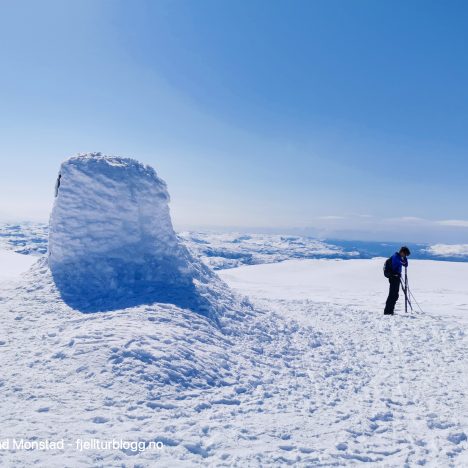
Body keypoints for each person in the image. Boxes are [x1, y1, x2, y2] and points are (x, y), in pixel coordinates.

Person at [384, 246, 411, 315]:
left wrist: (404, 258)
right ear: (402, 252)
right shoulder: (396, 257)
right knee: (392, 295)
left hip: (396, 277)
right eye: (405, 254)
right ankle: (388, 311)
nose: (405, 256)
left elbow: (406, 264)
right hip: (393, 277)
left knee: (395, 295)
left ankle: (390, 311)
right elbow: (403, 263)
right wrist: (404, 259)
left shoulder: (399, 257)